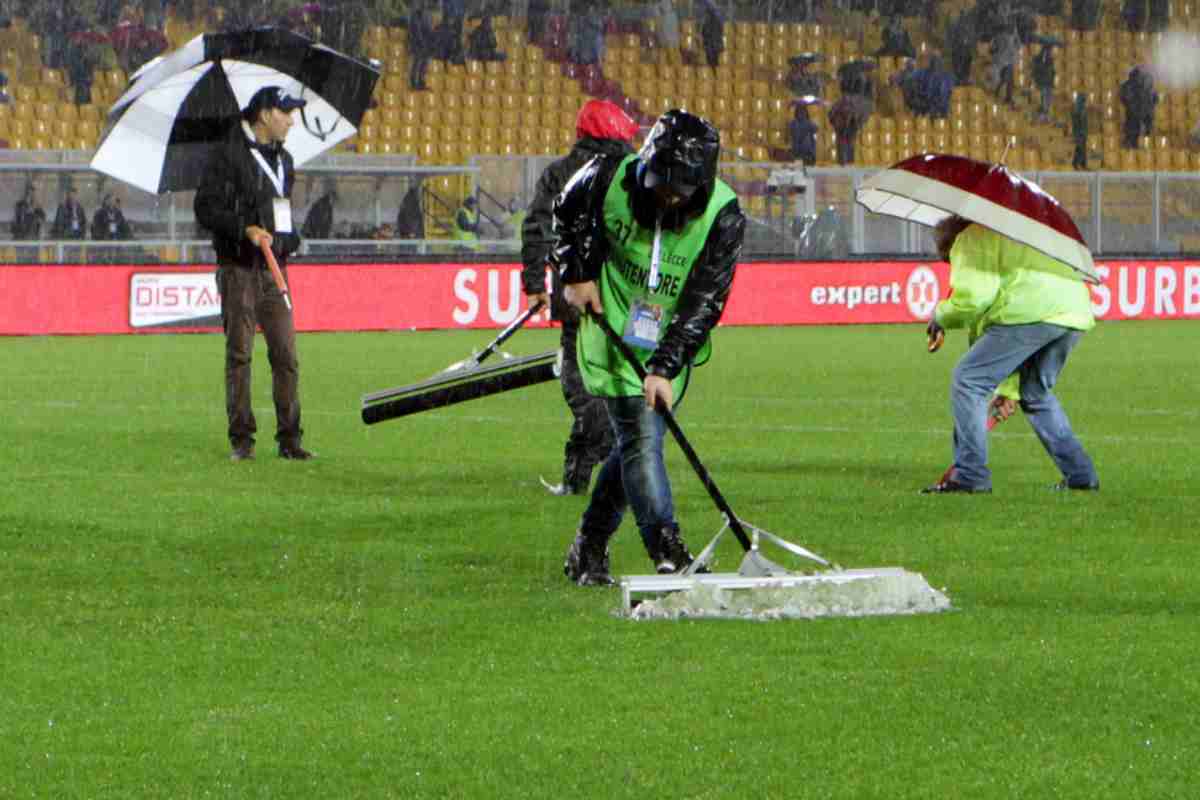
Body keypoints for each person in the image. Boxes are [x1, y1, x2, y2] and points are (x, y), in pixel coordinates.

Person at [552, 109, 746, 584]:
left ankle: (587, 549)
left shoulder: (723, 216)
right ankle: (669, 551)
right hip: (611, 324)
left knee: (633, 448)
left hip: (666, 338)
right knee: (641, 437)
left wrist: (664, 364)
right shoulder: (606, 176)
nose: (662, 197)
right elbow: (565, 214)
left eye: (675, 191)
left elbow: (705, 300)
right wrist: (575, 274)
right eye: (657, 183)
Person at [922, 216, 1099, 494]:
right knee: (1035, 393)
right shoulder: (1017, 231)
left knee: (968, 379)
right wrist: (1008, 389)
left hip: (1031, 312)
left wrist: (940, 315)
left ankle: (970, 474)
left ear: (949, 244)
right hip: (1073, 311)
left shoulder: (972, 238)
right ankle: (1081, 475)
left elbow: (975, 299)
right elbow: (995, 323)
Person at [520, 99, 638, 497]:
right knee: (618, 377)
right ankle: (592, 470)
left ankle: (592, 456)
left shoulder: (560, 174)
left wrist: (535, 283)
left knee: (578, 378)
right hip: (625, 294)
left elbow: (537, 228)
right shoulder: (633, 174)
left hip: (575, 290)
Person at [194, 86, 313, 462]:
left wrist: (287, 239)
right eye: (286, 112)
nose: (292, 120)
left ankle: (290, 439)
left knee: (286, 355)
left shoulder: (285, 160)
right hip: (239, 269)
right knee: (240, 354)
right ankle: (242, 440)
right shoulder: (227, 155)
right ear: (264, 115)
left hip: (274, 269)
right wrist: (244, 229)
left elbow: (283, 212)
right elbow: (204, 209)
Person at [407, 2, 434, 90]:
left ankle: (421, 81)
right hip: (417, 44)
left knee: (424, 63)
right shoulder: (415, 16)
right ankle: (414, 82)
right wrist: (421, 42)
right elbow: (415, 31)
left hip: (426, 43)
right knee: (417, 62)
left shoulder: (428, 15)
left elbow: (430, 30)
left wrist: (430, 42)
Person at [1032, 43, 1056, 122]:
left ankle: (1045, 115)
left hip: (1048, 82)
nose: (1051, 51)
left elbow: (1052, 72)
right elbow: (1037, 70)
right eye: (1049, 50)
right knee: (1044, 98)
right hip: (1043, 82)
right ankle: (1042, 115)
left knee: (1048, 99)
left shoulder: (1049, 58)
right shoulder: (1039, 59)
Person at [789, 101, 818, 165]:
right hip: (800, 152)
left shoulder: (807, 123)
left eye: (802, 111)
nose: (801, 113)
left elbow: (816, 129)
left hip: (806, 152)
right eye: (800, 112)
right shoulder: (794, 123)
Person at [700, 0, 724, 70]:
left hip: (712, 45)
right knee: (714, 63)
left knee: (712, 63)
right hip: (715, 44)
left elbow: (706, 32)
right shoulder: (718, 17)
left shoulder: (710, 18)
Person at [1071, 94, 1089, 169]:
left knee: (1081, 148)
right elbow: (1079, 123)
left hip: (1081, 132)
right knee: (1080, 148)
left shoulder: (1079, 110)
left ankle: (1081, 163)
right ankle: (1077, 163)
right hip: (1079, 133)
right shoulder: (1078, 111)